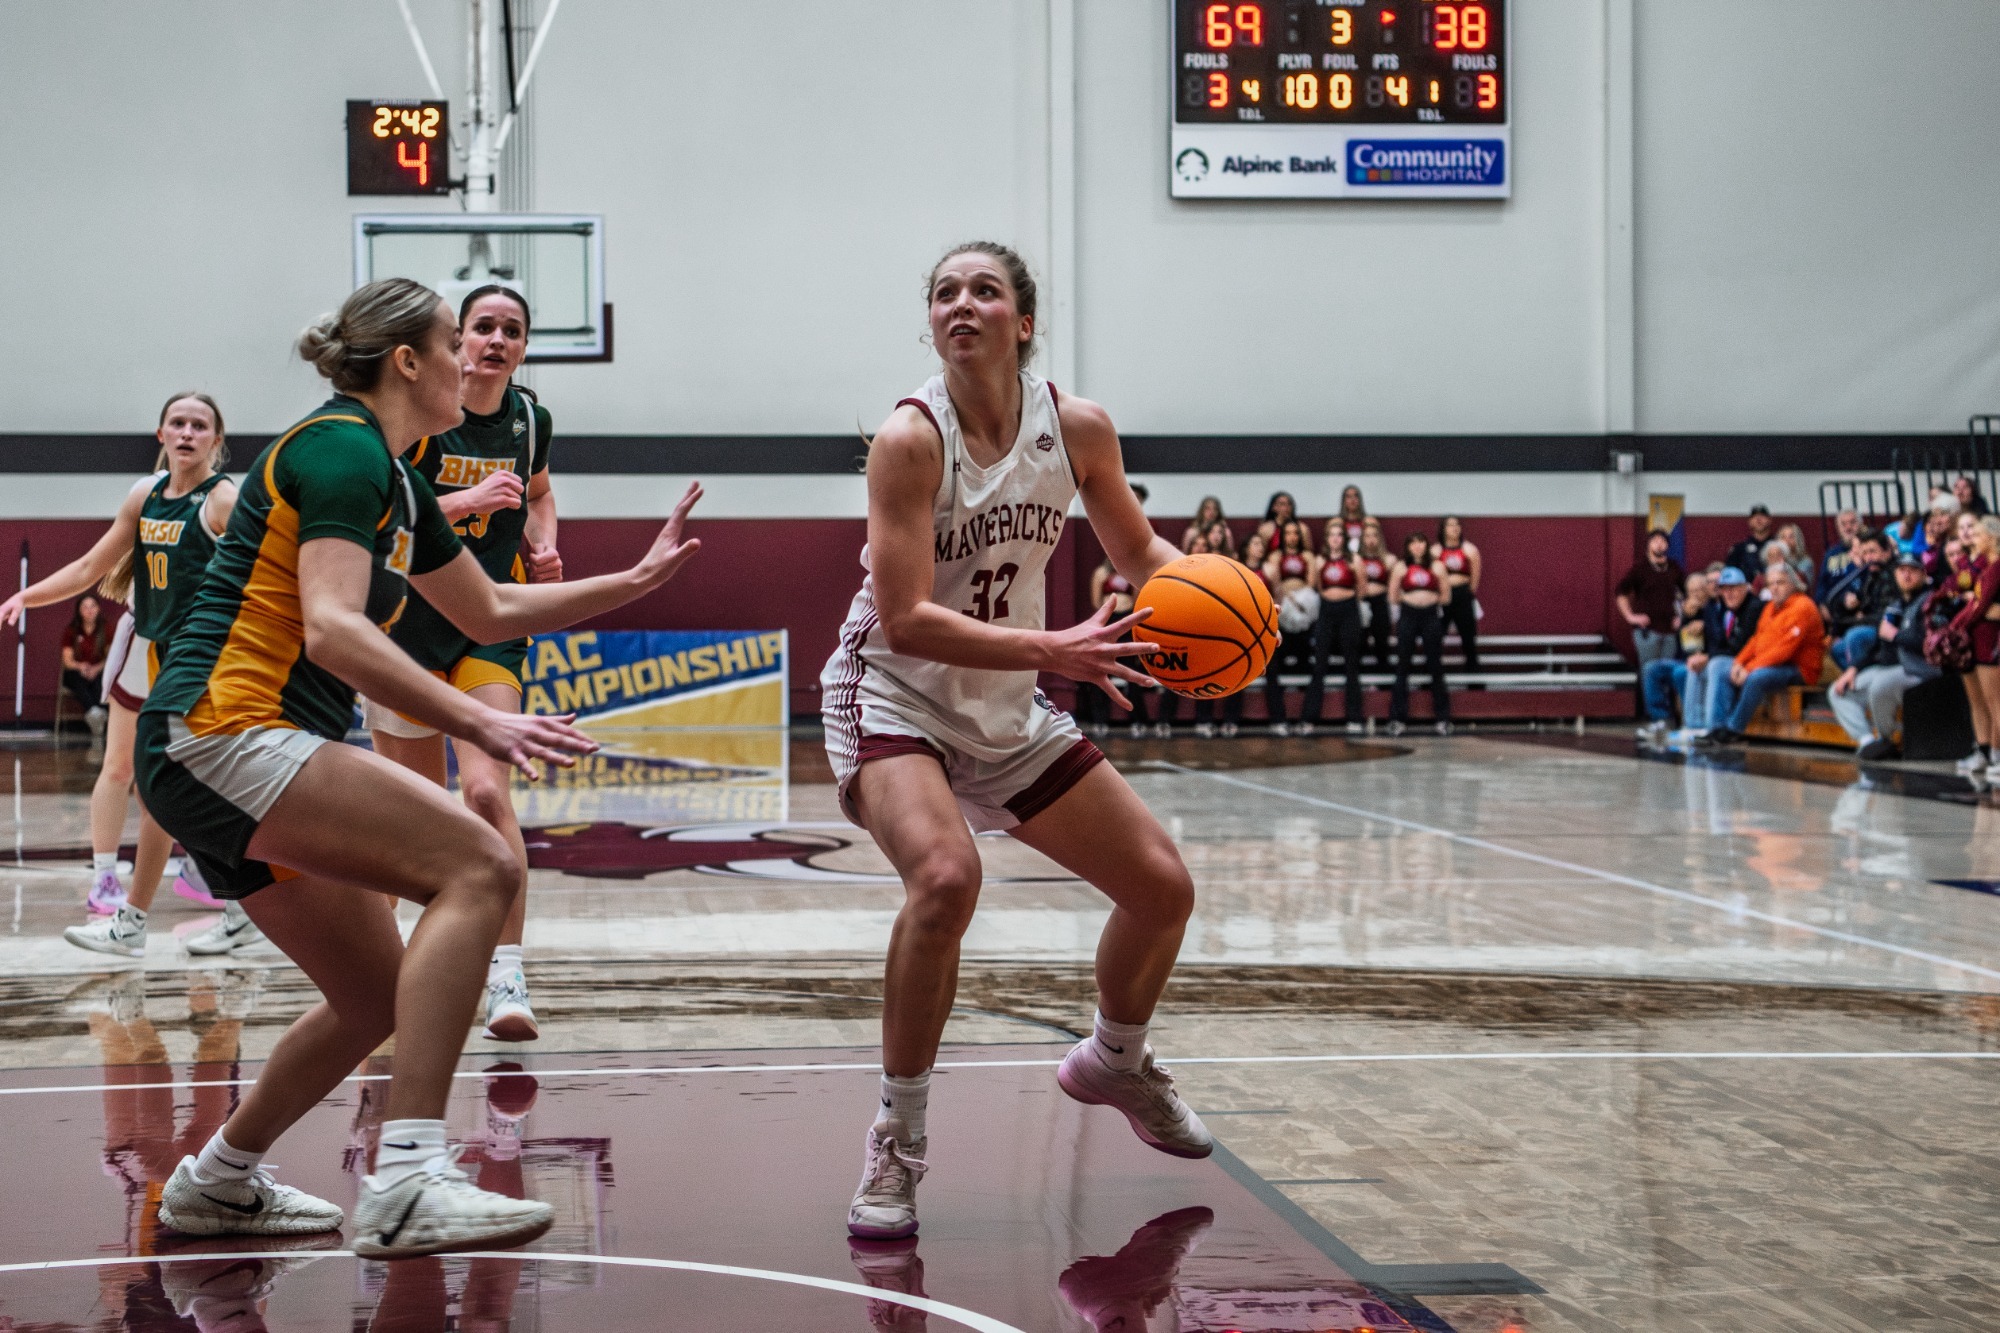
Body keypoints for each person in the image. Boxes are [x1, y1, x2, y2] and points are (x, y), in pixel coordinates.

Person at [131, 277, 705, 1257]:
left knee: (375, 996)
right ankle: (406, 1179)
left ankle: (217, 1180)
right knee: (480, 864)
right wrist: (479, 725)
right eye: (453, 344)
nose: (469, 360)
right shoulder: (342, 447)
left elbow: (487, 611)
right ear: (407, 361)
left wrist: (632, 581)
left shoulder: (394, 478)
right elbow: (333, 627)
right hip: (225, 726)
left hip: (221, 749)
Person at [820, 242, 1208, 1243]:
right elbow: (903, 617)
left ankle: (1114, 1059)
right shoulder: (910, 439)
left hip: (1003, 706)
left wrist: (1214, 590)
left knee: (1161, 884)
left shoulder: (1075, 428)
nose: (961, 304)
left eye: (982, 290)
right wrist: (1051, 649)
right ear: (932, 324)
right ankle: (896, 1142)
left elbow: (1136, 551)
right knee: (945, 879)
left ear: (1020, 322)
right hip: (892, 693)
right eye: (943, 292)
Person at [359, 285, 561, 1043]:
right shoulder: (420, 417)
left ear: (523, 346)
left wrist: (542, 541)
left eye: (512, 329)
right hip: (408, 627)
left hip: (488, 625)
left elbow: (539, 493)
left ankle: (505, 969)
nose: (497, 340)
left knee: (483, 790)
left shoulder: (530, 420)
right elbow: (384, 511)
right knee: (408, 820)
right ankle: (379, 976)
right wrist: (469, 498)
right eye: (484, 327)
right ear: (458, 340)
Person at [1, 393, 239, 940]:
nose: (186, 432)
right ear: (160, 434)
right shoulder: (146, 494)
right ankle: (112, 885)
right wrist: (25, 598)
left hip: (200, 659)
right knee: (123, 770)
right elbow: (91, 565)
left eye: (199, 425)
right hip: (145, 642)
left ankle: (226, 899)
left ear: (216, 441)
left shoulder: (224, 500)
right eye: (176, 423)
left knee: (196, 782)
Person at [1698, 563, 1825, 746]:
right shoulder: (1770, 608)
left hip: (1801, 670)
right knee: (1719, 665)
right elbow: (1757, 640)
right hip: (1774, 664)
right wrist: (1738, 663)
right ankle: (1716, 728)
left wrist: (1748, 668)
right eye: (1771, 583)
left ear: (1794, 583)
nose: (1774, 587)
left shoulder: (1803, 606)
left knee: (1757, 677)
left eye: (1780, 582)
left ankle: (1734, 730)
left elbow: (1783, 651)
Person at [1828, 553, 1938, 760]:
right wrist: (1854, 669)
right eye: (1901, 570)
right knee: (1837, 692)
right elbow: (1880, 645)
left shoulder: (1930, 602)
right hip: (1891, 668)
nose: (1906, 575)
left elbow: (1930, 644)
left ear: (1923, 575)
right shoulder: (1895, 606)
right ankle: (1867, 741)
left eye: (1912, 571)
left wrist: (1897, 635)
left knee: (1882, 683)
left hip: (1920, 667)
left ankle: (1888, 739)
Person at [1946, 516, 2000, 771]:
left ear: (1991, 538)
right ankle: (1984, 750)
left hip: (1990, 638)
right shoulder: (1976, 567)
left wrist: (1963, 620)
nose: (1971, 539)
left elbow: (1984, 605)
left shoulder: (1996, 567)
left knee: (1994, 701)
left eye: (1977, 534)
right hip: (1973, 636)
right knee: (1977, 700)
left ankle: (1997, 754)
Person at [1262, 519, 1321, 735]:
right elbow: (1276, 585)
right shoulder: (1275, 557)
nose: (1292, 537)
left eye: (1296, 533)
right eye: (1288, 533)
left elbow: (1311, 583)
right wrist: (1287, 602)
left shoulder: (1308, 557)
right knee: (1273, 664)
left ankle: (1306, 717)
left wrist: (1300, 603)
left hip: (1304, 611)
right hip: (1282, 611)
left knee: (1309, 662)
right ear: (1282, 536)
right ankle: (1279, 719)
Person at [1389, 532, 1451, 735]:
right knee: (1402, 666)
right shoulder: (1400, 567)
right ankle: (1398, 718)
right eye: (1412, 543)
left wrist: (1426, 601)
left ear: (1426, 545)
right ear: (1407, 547)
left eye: (1420, 542)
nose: (1417, 546)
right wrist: (1413, 601)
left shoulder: (1437, 566)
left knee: (1435, 665)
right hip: (1408, 615)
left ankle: (1442, 718)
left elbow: (1446, 597)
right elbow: (1393, 595)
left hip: (1430, 616)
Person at [1637, 571, 1711, 740]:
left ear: (1706, 590)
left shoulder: (1712, 608)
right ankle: (1662, 720)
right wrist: (1686, 618)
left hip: (1706, 659)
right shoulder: (1687, 610)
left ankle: (1692, 722)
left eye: (1699, 589)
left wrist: (1704, 623)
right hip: (1686, 658)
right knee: (1652, 668)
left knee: (1682, 672)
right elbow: (1684, 644)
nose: (1696, 594)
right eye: (1691, 591)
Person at [1085, 547, 1150, 737]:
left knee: (1131, 670)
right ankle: (1100, 719)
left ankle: (1138, 719)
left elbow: (1138, 598)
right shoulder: (1101, 573)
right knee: (1102, 670)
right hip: (1109, 621)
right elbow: (1096, 601)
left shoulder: (1131, 573)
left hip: (1127, 619)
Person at [1310, 524, 1365, 733]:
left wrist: (1346, 602)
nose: (1335, 539)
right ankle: (1310, 717)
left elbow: (1362, 587)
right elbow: (1317, 585)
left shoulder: (1354, 560)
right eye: (1331, 535)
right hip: (1326, 610)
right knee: (1319, 664)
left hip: (1348, 610)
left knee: (1351, 665)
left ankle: (1354, 717)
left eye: (1338, 535)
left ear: (1344, 538)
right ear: (1327, 539)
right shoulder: (1320, 560)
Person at [1820, 530, 1892, 669]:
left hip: (1885, 628)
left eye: (1872, 551)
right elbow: (1838, 600)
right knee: (1837, 649)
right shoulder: (1870, 575)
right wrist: (1845, 603)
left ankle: (1859, 680)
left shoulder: (1892, 575)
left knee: (1855, 636)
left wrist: (1859, 620)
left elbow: (1885, 613)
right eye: (1865, 553)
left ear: (1887, 552)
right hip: (1869, 624)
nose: (1868, 557)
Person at [1614, 529, 1684, 668]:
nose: (1659, 544)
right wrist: (1630, 616)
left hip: (1670, 630)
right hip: (1647, 631)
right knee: (1649, 671)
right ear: (1648, 544)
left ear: (1668, 545)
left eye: (1663, 541)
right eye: (1655, 541)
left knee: (1668, 672)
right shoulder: (1640, 568)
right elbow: (1621, 593)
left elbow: (1687, 592)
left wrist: (1681, 616)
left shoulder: (1674, 567)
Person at [1437, 515, 1482, 678]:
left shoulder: (1470, 550)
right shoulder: (1435, 550)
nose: (1455, 527)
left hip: (1463, 594)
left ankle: (1475, 682)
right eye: (1450, 525)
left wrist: (1467, 594)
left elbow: (1475, 577)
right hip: (1443, 597)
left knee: (1468, 640)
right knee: (1435, 638)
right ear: (1443, 529)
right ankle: (1431, 680)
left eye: (1457, 524)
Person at [60, 594, 113, 728]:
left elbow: (110, 658)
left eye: (92, 606)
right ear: (79, 611)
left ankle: (98, 716)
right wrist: (80, 666)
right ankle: (95, 712)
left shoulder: (106, 629)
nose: (89, 610)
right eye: (85, 607)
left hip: (98, 670)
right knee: (76, 678)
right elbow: (67, 660)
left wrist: (96, 668)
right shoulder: (72, 630)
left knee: (99, 680)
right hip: (77, 671)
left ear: (98, 609)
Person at [1356, 518, 1395, 671]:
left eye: (1374, 535)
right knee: (1359, 639)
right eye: (1367, 536)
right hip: (1362, 601)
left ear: (1379, 538)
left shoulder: (1388, 560)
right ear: (1362, 539)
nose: (1371, 539)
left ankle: (1383, 672)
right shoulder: (1356, 559)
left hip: (1380, 601)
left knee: (1381, 638)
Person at [1816, 509, 1863, 601]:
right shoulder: (1831, 554)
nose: (1848, 527)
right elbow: (1822, 584)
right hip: (1833, 606)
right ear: (1838, 528)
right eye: (1843, 524)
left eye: (1852, 522)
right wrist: (1821, 605)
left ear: (1860, 525)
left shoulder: (1867, 551)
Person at [1724, 504, 1776, 579]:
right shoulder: (1739, 549)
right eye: (1755, 516)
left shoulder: (1778, 546)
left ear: (1769, 520)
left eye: (1762, 516)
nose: (1758, 519)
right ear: (1749, 522)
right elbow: (1730, 573)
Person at [1773, 522, 1815, 592]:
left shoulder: (1806, 561)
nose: (1787, 540)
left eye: (1791, 537)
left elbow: (1800, 584)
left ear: (1797, 540)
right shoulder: (1773, 560)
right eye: (1783, 537)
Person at [1328, 485, 1368, 556]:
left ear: (1360, 500)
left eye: (1355, 496)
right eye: (1348, 497)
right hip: (1343, 557)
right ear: (1344, 501)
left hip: (1364, 555)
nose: (1352, 499)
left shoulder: (1368, 521)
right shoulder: (1336, 522)